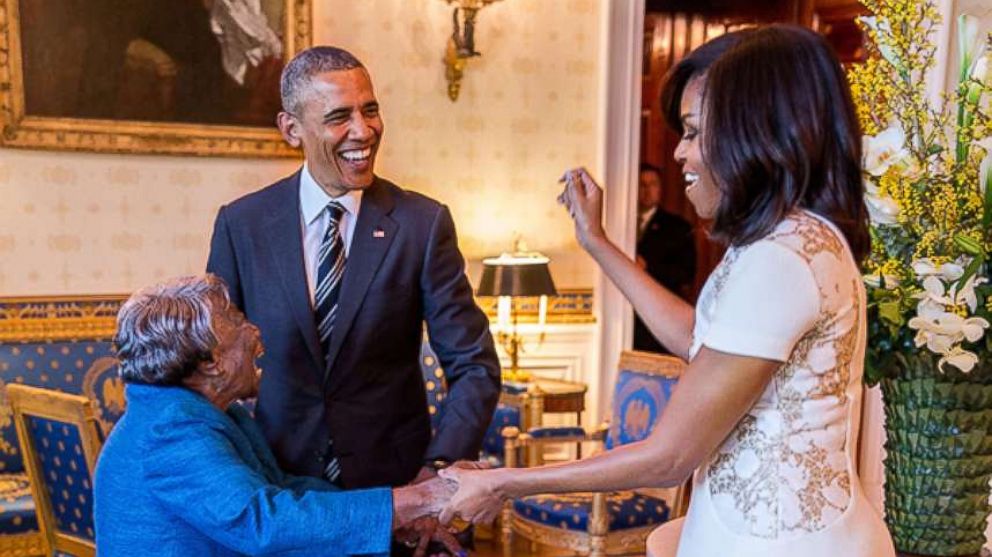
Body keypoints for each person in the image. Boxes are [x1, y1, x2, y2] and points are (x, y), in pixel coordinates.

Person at [439, 25, 896, 557]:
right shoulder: (796, 238)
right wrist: (597, 243)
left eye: (694, 131)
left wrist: (501, 483)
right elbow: (700, 339)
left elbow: (670, 454)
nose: (679, 152)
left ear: (757, 133)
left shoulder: (780, 257)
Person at [206, 46, 500, 553]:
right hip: (284, 503)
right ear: (291, 128)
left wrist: (435, 481)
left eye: (370, 110)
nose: (363, 131)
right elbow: (211, 369)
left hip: (400, 498)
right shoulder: (242, 225)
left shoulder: (422, 224)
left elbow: (474, 366)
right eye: (339, 117)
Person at [94, 275, 457, 556]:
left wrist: (395, 514)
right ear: (210, 362)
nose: (254, 330)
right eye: (236, 320)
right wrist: (422, 500)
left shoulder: (203, 413)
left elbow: (283, 489)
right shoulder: (172, 431)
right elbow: (263, 521)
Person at [633, 162, 696, 354]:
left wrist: (648, 268)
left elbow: (686, 274)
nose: (647, 190)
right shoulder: (622, 221)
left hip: (661, 312)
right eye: (642, 185)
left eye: (652, 184)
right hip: (628, 315)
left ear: (660, 189)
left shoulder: (677, 227)